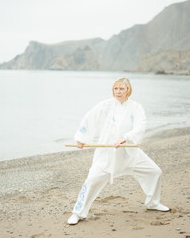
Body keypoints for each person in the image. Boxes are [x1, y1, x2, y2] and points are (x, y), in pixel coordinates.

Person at [67, 77, 169, 225]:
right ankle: (77, 213)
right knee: (91, 180)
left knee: (155, 172)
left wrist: (125, 138)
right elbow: (90, 118)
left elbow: (140, 126)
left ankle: (153, 203)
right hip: (107, 155)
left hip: (129, 154)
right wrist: (81, 138)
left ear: (128, 90)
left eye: (121, 88)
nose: (118, 92)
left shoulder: (136, 107)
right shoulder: (106, 105)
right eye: (116, 88)